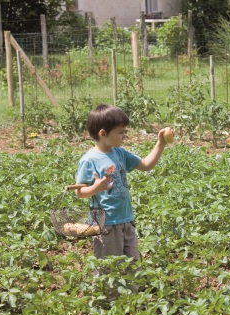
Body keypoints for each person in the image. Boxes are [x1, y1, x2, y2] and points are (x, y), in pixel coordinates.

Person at [73, 104, 170, 286]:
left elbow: (146, 165)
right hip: (105, 223)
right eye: (120, 132)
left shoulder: (120, 153)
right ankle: (107, 304)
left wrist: (160, 143)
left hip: (126, 220)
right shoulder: (89, 160)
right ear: (103, 133)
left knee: (132, 265)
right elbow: (80, 192)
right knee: (107, 268)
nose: (124, 136)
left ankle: (130, 303)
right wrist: (96, 188)